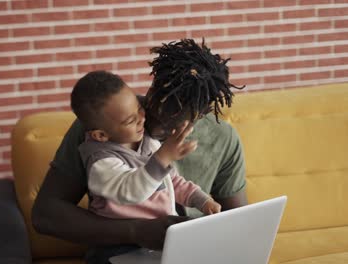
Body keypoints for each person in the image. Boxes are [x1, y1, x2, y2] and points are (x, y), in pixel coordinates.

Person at [32, 38, 247, 261]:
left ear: (199, 116)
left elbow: (240, 223)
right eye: (153, 105)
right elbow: (45, 215)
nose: (150, 124)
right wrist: (136, 231)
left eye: (170, 124)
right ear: (152, 85)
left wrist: (205, 206)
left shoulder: (223, 139)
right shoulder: (105, 123)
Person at [71, 70, 222, 262]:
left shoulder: (146, 141)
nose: (142, 118)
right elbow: (131, 191)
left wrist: (201, 200)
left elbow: (171, 181)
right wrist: (162, 158)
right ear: (101, 135)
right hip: (117, 245)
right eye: (130, 120)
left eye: (139, 108)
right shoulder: (101, 162)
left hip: (160, 239)